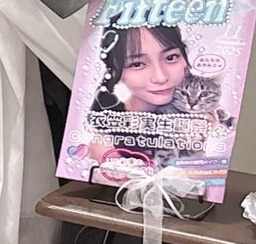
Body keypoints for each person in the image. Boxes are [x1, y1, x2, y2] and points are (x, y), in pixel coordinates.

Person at [84, 23, 232, 177]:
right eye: (137, 64)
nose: (160, 77)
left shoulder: (210, 118)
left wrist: (207, 138)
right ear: (115, 72)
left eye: (171, 57)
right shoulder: (107, 143)